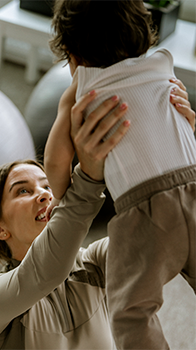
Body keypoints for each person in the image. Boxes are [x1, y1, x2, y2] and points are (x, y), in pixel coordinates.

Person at [0, 73, 194, 349]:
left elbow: (165, 236)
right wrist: (88, 178)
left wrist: (180, 150)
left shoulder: (95, 261)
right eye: (23, 190)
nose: (43, 194)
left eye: (47, 186)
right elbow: (47, 272)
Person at [44, 0, 196, 349]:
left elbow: (55, 161)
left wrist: (61, 197)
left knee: (132, 311)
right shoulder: (162, 66)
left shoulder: (81, 89)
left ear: (71, 54)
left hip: (146, 212)